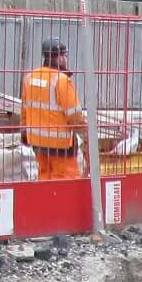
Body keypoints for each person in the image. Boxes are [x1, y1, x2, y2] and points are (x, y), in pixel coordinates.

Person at [22, 38, 87, 181]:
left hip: (38, 142)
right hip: (61, 145)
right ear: (58, 57)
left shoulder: (30, 78)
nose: (65, 59)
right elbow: (74, 115)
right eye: (64, 55)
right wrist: (86, 135)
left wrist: (24, 132)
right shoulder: (61, 80)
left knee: (44, 178)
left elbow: (25, 110)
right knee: (66, 180)